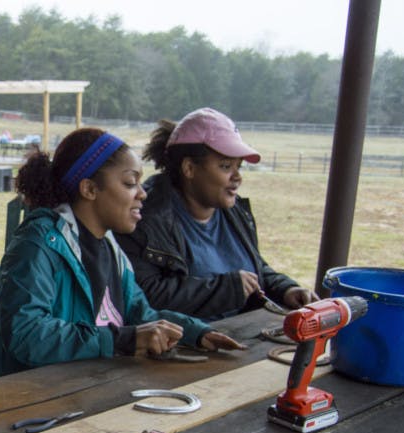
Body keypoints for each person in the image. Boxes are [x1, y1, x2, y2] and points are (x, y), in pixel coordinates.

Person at [0, 127, 245, 380]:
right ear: (90, 189)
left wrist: (195, 332)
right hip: (17, 393)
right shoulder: (40, 243)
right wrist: (122, 339)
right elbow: (26, 334)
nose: (142, 194)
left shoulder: (110, 246)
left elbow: (139, 313)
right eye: (130, 183)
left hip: (74, 386)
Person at [115, 107, 316, 320]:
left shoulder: (235, 212)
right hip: (188, 338)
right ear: (189, 168)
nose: (237, 177)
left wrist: (285, 289)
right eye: (226, 166)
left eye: (239, 167)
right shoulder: (143, 218)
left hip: (241, 331)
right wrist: (226, 289)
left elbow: (255, 268)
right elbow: (147, 297)